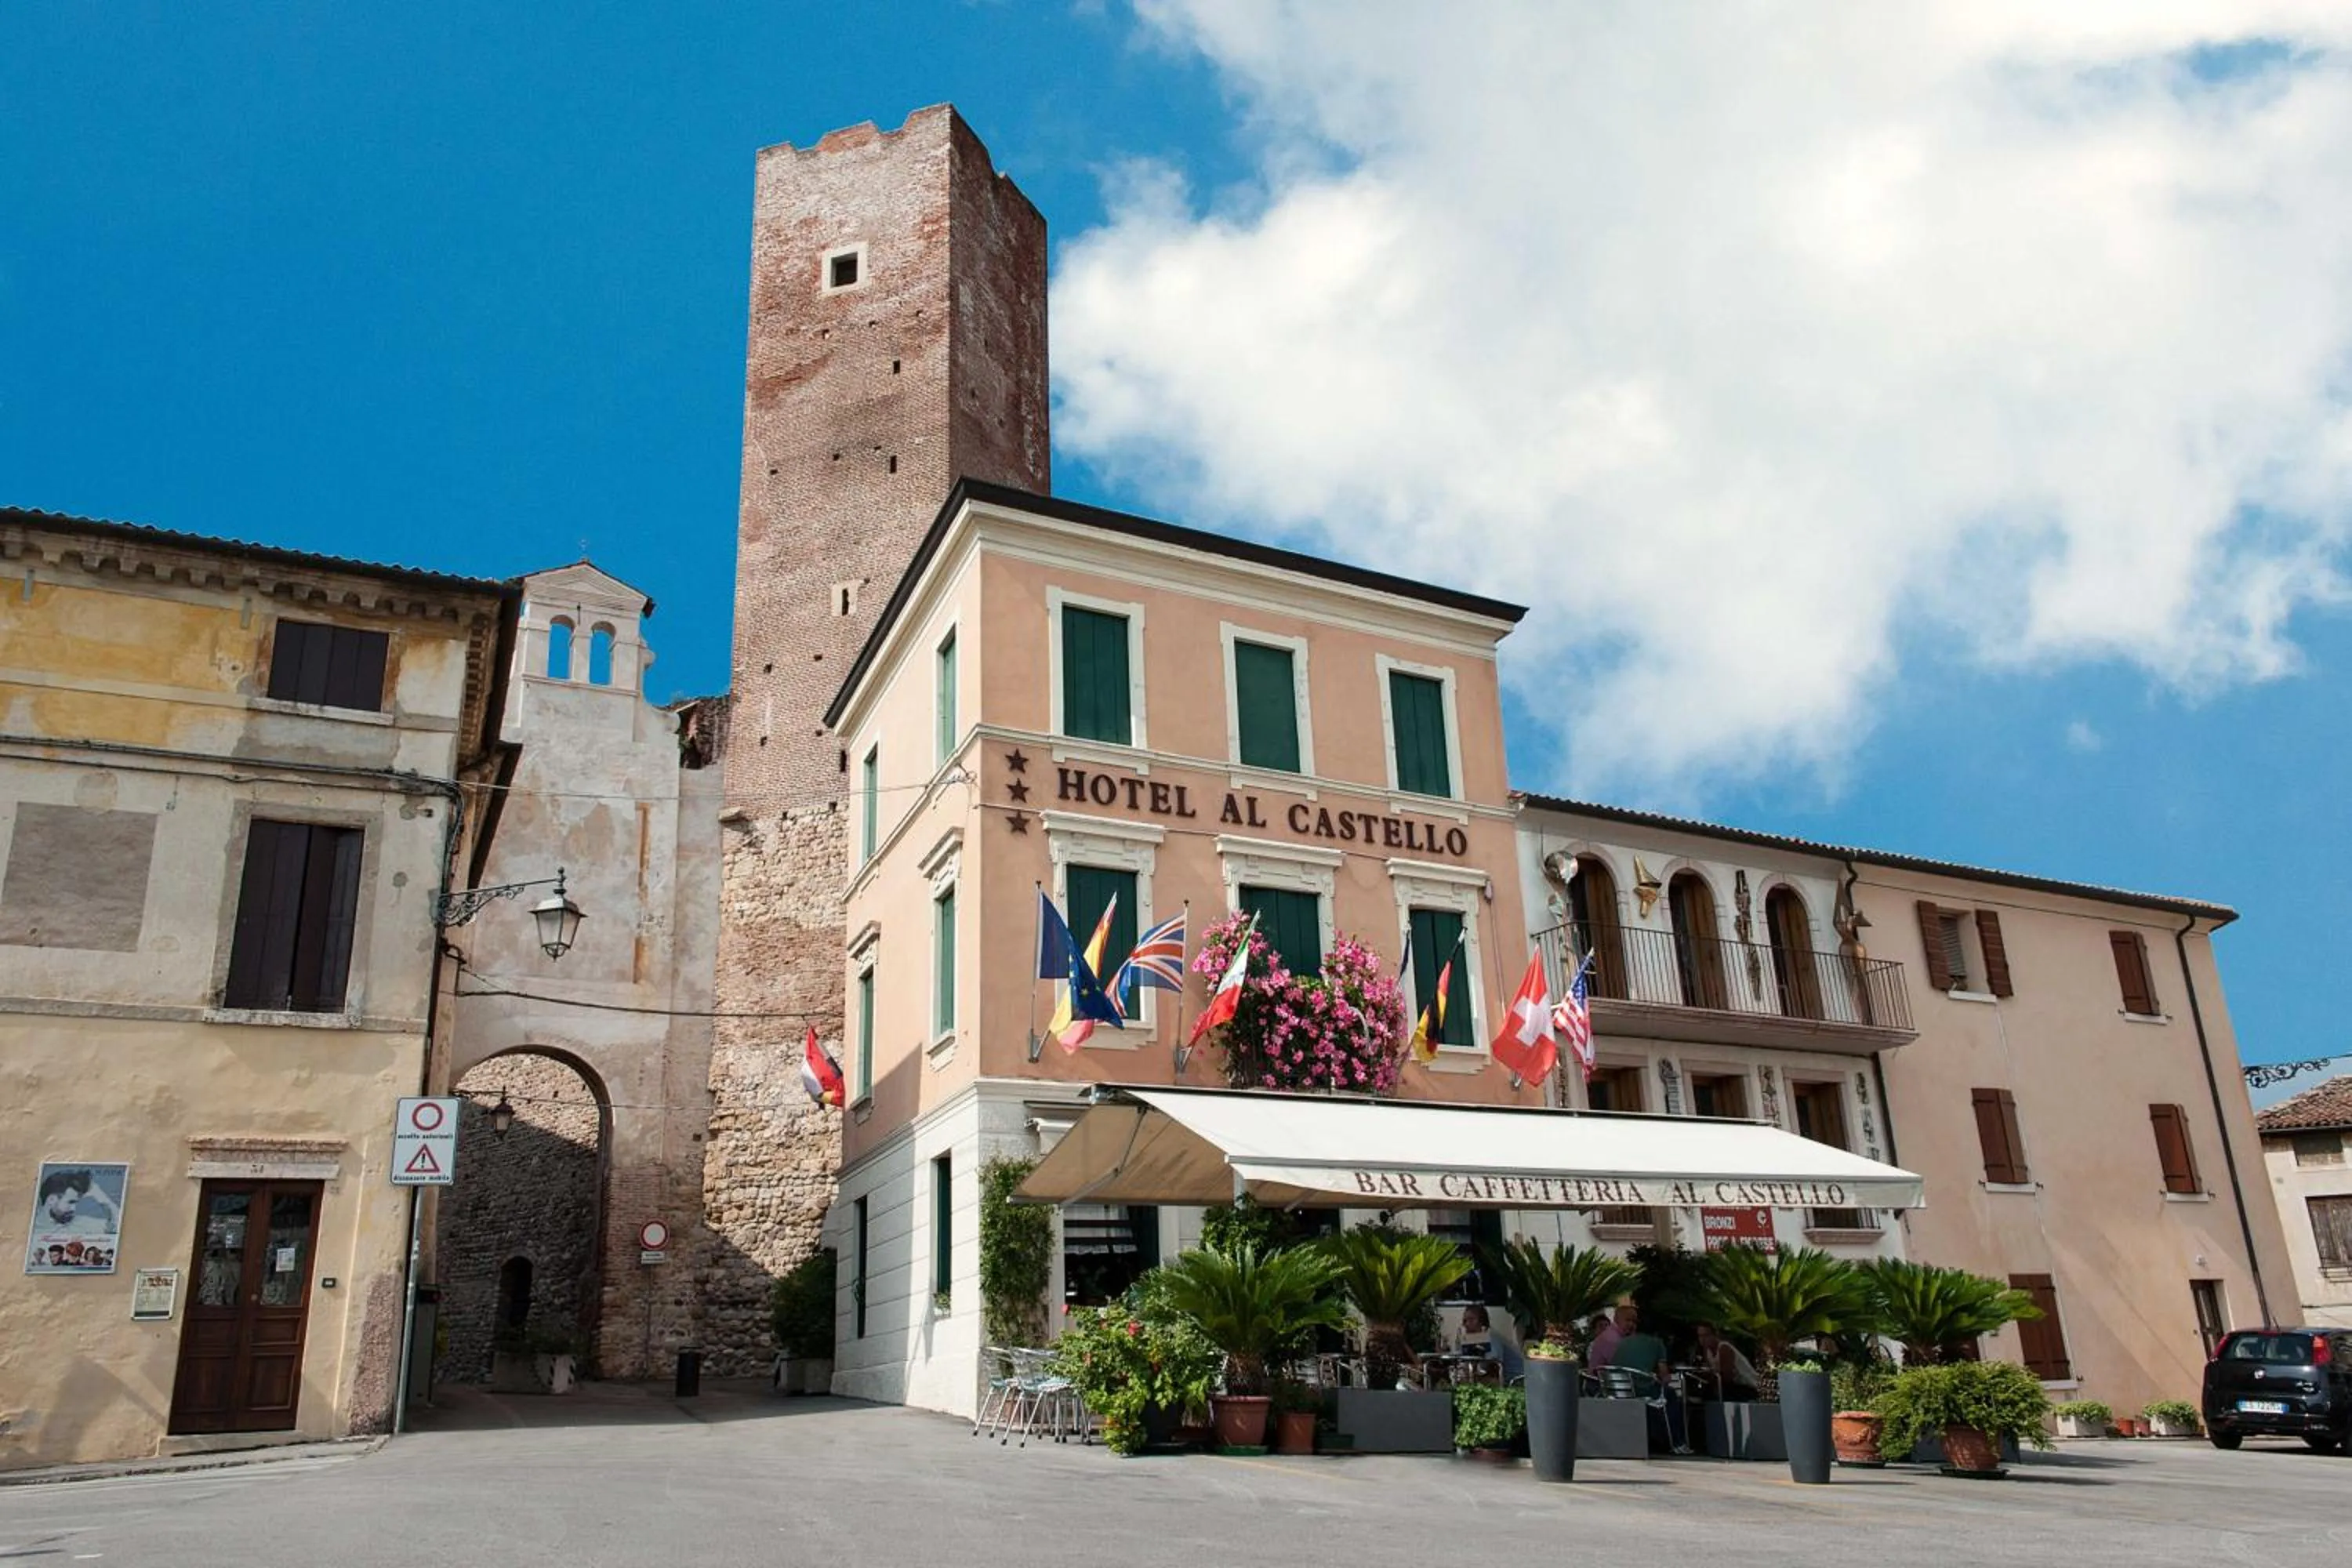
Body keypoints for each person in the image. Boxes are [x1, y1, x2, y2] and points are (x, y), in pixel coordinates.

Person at [1694, 1321, 1762, 1403]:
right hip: (1731, 1387)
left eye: (1706, 1336)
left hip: (1747, 1387)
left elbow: (1727, 1376)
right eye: (1700, 1336)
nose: (1703, 1340)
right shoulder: (1707, 1351)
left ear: (1715, 1335)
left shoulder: (1724, 1348)